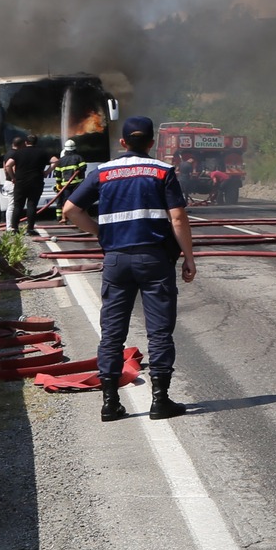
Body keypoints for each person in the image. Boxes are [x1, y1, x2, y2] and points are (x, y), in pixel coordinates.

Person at [61, 116, 197, 423]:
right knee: (159, 331)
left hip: (116, 260)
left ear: (122, 143)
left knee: (112, 334)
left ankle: (110, 404)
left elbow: (70, 210)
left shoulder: (103, 172)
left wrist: (101, 233)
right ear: (151, 143)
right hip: (155, 260)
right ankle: (160, 401)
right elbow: (177, 218)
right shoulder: (163, 171)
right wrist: (188, 257)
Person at [8, 135, 52, 237]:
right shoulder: (42, 152)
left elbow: (8, 165)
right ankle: (30, 229)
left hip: (20, 183)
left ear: (26, 143)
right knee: (32, 205)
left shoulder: (19, 152)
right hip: (36, 182)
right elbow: (55, 161)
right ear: (36, 142)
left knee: (18, 205)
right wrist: (47, 172)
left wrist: (13, 177)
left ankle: (14, 228)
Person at [50, 140, 88, 218]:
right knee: (78, 200)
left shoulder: (61, 160)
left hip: (65, 185)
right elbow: (83, 167)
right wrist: (78, 170)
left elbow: (57, 173)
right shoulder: (78, 157)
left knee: (66, 201)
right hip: (78, 184)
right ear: (74, 148)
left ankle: (64, 218)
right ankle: (79, 217)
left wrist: (58, 183)